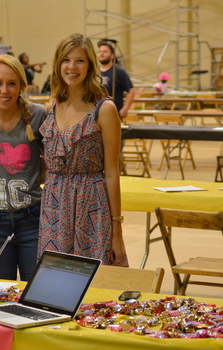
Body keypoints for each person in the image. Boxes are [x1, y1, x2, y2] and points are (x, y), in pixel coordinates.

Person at [38, 33, 128, 267]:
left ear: (90, 65)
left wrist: (116, 229)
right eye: (66, 60)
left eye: (80, 60)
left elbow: (111, 172)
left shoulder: (104, 109)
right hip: (55, 206)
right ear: (58, 64)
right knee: (54, 282)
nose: (72, 67)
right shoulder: (52, 106)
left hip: (91, 205)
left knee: (94, 282)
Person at [0, 54, 46, 281]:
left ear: (22, 86)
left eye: (12, 83)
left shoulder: (38, 114)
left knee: (32, 287)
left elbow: (50, 161)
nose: (5, 90)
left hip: (31, 217)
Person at [97, 40, 135, 119]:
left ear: (112, 55)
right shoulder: (94, 72)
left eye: (105, 52)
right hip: (96, 114)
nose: (101, 54)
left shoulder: (119, 72)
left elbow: (131, 91)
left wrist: (125, 108)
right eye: (100, 51)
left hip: (114, 114)